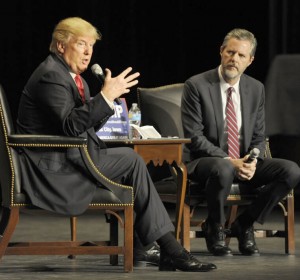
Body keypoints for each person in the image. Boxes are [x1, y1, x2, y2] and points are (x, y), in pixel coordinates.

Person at [16, 17, 216, 272]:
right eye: (81, 44)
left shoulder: (72, 77)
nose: (88, 52)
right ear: (61, 46)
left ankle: (154, 247)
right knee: (132, 160)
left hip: (72, 157)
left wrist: (107, 103)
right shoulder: (51, 77)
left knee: (130, 160)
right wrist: (105, 97)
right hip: (53, 168)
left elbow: (84, 127)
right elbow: (70, 127)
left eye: (91, 46)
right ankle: (168, 249)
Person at [181, 28, 300, 257]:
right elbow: (195, 137)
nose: (234, 59)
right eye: (230, 52)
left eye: (241, 55)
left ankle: (245, 223)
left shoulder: (256, 89)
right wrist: (230, 161)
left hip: (243, 159)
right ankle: (215, 227)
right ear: (221, 52)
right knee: (224, 167)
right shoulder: (196, 85)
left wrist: (252, 161)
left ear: (250, 60)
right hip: (205, 161)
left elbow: (258, 135)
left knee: (292, 171)